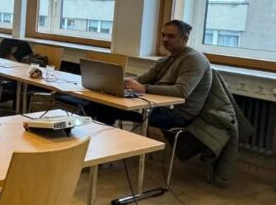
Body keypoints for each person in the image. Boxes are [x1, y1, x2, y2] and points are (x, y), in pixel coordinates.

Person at [83, 19, 212, 130]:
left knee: (106, 107)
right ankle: (94, 138)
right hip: (160, 106)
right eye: (163, 35)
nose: (165, 39)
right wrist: (116, 81)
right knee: (103, 103)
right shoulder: (166, 60)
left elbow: (182, 91)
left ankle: (91, 138)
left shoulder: (194, 59)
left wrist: (144, 88)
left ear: (185, 38)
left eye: (171, 36)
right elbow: (142, 79)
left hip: (177, 115)